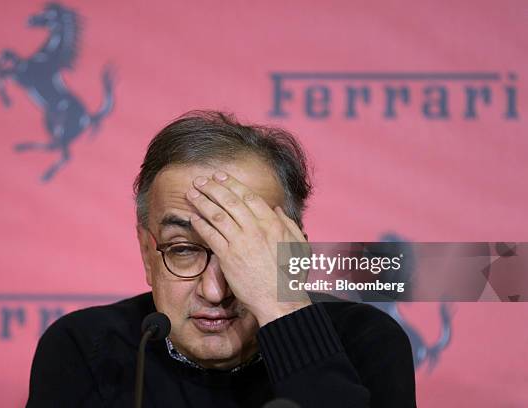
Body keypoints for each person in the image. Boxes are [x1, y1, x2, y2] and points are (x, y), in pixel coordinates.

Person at [26, 111, 416, 407]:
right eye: (182, 249)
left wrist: (283, 307)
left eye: (245, 250)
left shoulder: (366, 340)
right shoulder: (85, 347)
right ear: (148, 254)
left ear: (293, 250)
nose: (214, 291)